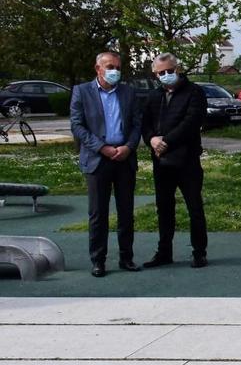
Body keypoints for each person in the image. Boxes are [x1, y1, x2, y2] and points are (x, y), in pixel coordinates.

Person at [69, 51, 143, 277]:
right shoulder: (82, 92)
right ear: (98, 68)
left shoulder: (128, 92)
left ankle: (126, 258)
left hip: (124, 158)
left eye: (118, 67)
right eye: (110, 66)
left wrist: (128, 147)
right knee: (98, 213)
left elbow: (136, 124)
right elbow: (77, 126)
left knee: (126, 212)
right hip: (97, 160)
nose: (115, 71)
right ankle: (98, 260)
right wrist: (102, 147)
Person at [141, 53, 208, 269]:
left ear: (177, 69)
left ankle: (199, 252)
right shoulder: (153, 96)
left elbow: (191, 122)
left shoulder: (194, 92)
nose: (167, 75)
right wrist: (151, 140)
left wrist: (166, 142)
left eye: (170, 71)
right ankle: (164, 252)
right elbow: (145, 124)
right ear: (155, 74)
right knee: (164, 208)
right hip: (161, 162)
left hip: (187, 160)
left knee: (194, 207)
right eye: (162, 72)